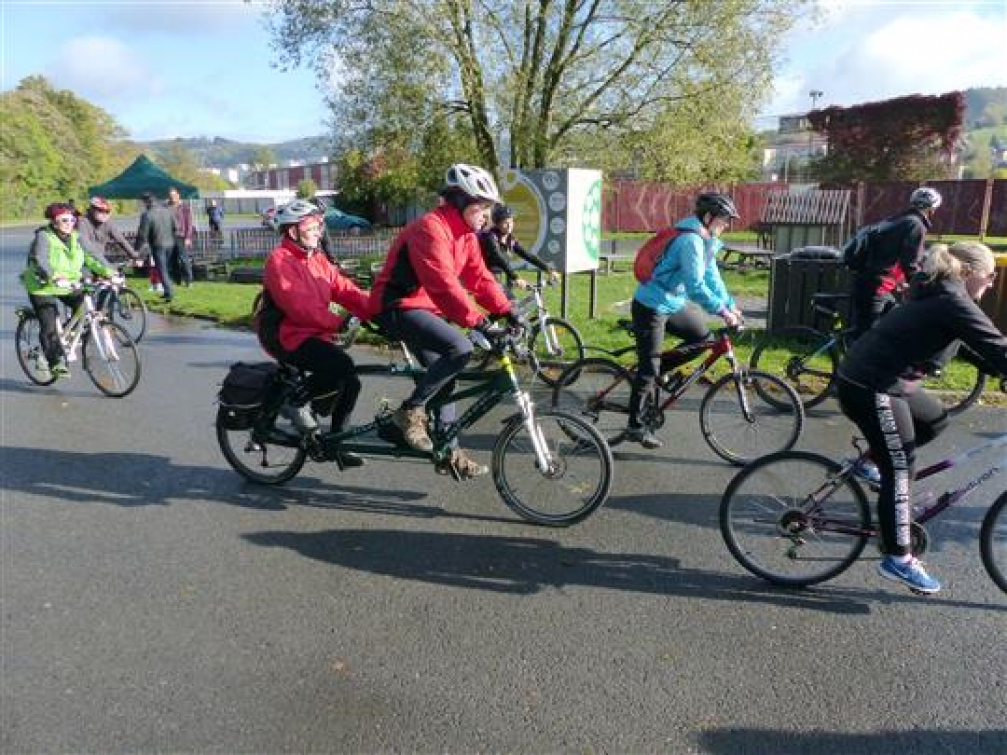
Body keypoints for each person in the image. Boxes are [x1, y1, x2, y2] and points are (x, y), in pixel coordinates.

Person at [837, 241, 1007, 594]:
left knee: (934, 420)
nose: (992, 284)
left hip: (882, 379)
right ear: (970, 271)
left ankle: (870, 462)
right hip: (873, 385)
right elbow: (997, 346)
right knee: (901, 468)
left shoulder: (942, 292)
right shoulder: (952, 300)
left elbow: (974, 345)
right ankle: (898, 558)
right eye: (991, 276)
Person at [369, 163, 516, 479]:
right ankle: (409, 413)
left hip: (425, 309)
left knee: (445, 375)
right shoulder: (430, 228)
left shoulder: (466, 235)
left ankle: (448, 450)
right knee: (460, 348)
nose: (486, 216)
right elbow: (443, 285)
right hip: (395, 305)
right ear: (460, 202)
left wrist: (508, 310)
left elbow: (479, 277)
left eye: (488, 208)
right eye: (481, 207)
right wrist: (480, 322)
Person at [619, 192, 743, 449]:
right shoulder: (691, 241)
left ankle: (658, 372)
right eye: (723, 219)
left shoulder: (705, 240)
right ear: (707, 217)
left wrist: (730, 305)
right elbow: (695, 286)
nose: (726, 224)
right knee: (648, 368)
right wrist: (722, 312)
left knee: (703, 339)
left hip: (672, 304)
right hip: (651, 305)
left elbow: (712, 278)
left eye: (728, 220)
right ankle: (635, 426)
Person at [257, 199, 372, 467]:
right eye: (312, 228)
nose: (319, 233)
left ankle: (336, 443)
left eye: (319, 227)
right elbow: (300, 308)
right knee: (341, 365)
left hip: (310, 332)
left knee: (350, 382)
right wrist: (338, 323)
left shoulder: (317, 259)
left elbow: (345, 289)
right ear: (293, 231)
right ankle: (292, 400)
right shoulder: (279, 261)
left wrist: (377, 307)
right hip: (284, 335)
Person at [21, 202, 118, 378]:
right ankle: (55, 361)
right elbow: (41, 260)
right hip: (43, 286)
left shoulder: (76, 237)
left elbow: (92, 256)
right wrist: (53, 276)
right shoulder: (44, 236)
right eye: (64, 220)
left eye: (73, 220)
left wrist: (110, 272)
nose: (69, 223)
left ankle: (67, 334)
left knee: (83, 307)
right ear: (54, 221)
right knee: (49, 323)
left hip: (68, 284)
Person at [849, 186, 942, 340]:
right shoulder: (915, 225)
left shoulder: (897, 219)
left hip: (868, 280)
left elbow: (889, 255)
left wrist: (901, 281)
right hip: (877, 285)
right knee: (868, 336)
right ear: (932, 208)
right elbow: (910, 263)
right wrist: (921, 286)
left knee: (891, 323)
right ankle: (854, 354)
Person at [478, 204, 559, 294]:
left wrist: (548, 269)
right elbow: (499, 258)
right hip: (482, 278)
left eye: (511, 221)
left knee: (511, 300)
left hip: (495, 278)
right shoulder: (490, 238)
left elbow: (527, 255)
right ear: (497, 224)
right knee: (507, 301)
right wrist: (515, 277)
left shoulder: (509, 240)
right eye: (505, 222)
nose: (509, 225)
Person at [136, 192, 177, 302]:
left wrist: (138, 252)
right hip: (170, 243)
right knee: (166, 268)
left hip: (158, 244)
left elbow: (142, 235)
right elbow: (175, 227)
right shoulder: (167, 211)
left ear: (146, 202)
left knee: (162, 270)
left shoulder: (147, 215)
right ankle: (167, 291)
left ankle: (169, 293)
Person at [76, 196, 141, 264]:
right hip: (84, 261)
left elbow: (121, 240)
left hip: (99, 261)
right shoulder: (83, 222)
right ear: (92, 209)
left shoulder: (108, 223)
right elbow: (86, 247)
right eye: (101, 210)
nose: (104, 214)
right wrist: (107, 265)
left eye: (107, 211)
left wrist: (136, 257)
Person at [167, 186, 195, 287]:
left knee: (183, 259)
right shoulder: (166, 207)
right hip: (169, 236)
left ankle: (189, 280)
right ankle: (176, 280)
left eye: (174, 195)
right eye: (170, 196)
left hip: (181, 236)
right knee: (172, 259)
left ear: (178, 195)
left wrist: (188, 237)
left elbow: (189, 224)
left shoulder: (185, 208)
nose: (172, 198)